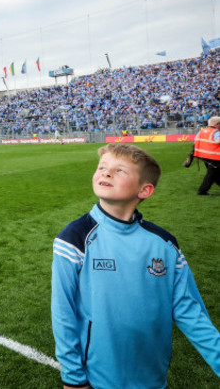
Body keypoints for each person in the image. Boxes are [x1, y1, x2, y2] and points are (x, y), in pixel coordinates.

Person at [51, 143, 220, 389]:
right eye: (102, 167)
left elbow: (189, 311)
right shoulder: (75, 238)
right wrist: (73, 377)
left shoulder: (165, 244)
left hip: (153, 376)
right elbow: (62, 312)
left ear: (145, 190)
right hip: (99, 377)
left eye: (120, 170)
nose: (106, 173)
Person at [193, 115, 220, 195]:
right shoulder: (216, 132)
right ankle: (202, 191)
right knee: (211, 174)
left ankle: (202, 191)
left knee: (215, 174)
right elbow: (217, 141)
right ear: (217, 124)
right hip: (215, 157)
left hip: (204, 156)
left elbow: (196, 141)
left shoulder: (202, 131)